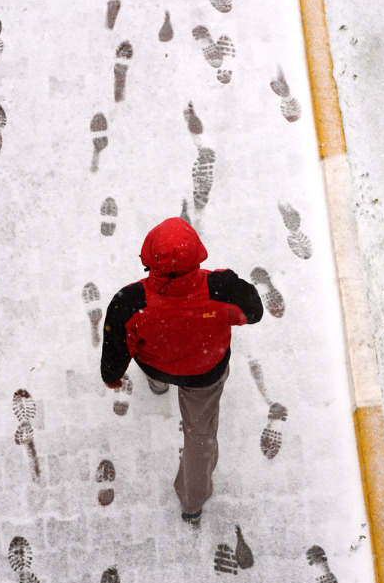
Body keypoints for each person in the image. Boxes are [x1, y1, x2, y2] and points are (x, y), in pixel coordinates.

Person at [100, 217, 263, 523]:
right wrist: (229, 280)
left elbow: (116, 346)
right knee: (199, 436)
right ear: (199, 252)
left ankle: (158, 386)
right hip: (205, 374)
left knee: (147, 351)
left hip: (156, 363)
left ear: (148, 256)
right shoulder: (221, 289)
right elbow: (253, 312)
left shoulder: (129, 302)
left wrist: (112, 376)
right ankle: (192, 501)